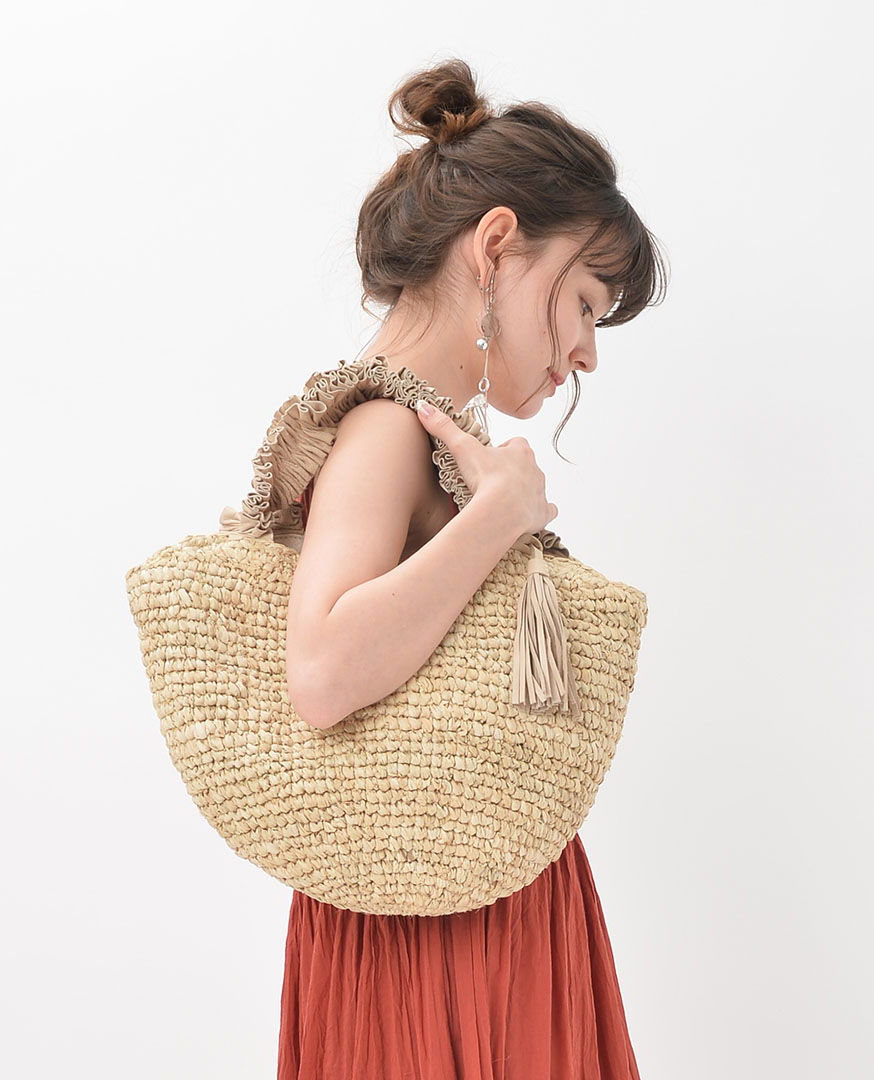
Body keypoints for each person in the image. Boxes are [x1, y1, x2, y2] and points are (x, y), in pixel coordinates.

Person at [277, 57, 666, 1080]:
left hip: (472, 897)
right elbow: (321, 673)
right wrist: (496, 518)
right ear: (496, 247)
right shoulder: (382, 426)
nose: (586, 352)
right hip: (435, 932)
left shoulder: (428, 429)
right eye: (586, 303)